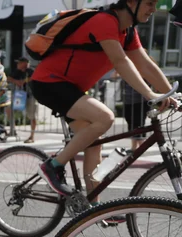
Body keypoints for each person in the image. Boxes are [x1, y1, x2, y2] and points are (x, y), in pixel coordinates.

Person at [32, 0, 177, 209]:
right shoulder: (104, 21)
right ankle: (52, 166)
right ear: (131, 3)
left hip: (70, 88)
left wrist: (171, 94)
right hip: (49, 83)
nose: (154, 9)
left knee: (94, 142)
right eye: (149, 3)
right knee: (105, 117)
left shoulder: (127, 32)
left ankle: (92, 207)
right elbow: (120, 61)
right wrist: (150, 93)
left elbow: (146, 65)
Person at [10, 57, 37, 143]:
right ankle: (13, 130)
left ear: (24, 63)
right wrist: (16, 81)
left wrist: (25, 81)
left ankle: (32, 136)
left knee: (32, 116)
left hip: (31, 96)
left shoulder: (31, 71)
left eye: (19, 63)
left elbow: (35, 77)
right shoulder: (17, 71)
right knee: (10, 110)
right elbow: (8, 78)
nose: (17, 64)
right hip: (20, 96)